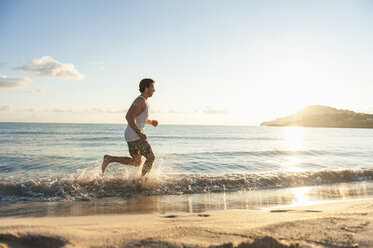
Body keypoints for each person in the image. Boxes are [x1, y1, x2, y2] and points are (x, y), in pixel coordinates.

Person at [101, 78, 158, 177]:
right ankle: (142, 181)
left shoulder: (144, 101)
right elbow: (129, 116)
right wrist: (138, 132)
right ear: (146, 88)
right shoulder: (140, 100)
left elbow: (138, 117)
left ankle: (110, 159)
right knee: (151, 158)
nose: (154, 90)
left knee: (136, 162)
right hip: (135, 135)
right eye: (152, 87)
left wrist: (150, 122)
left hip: (131, 135)